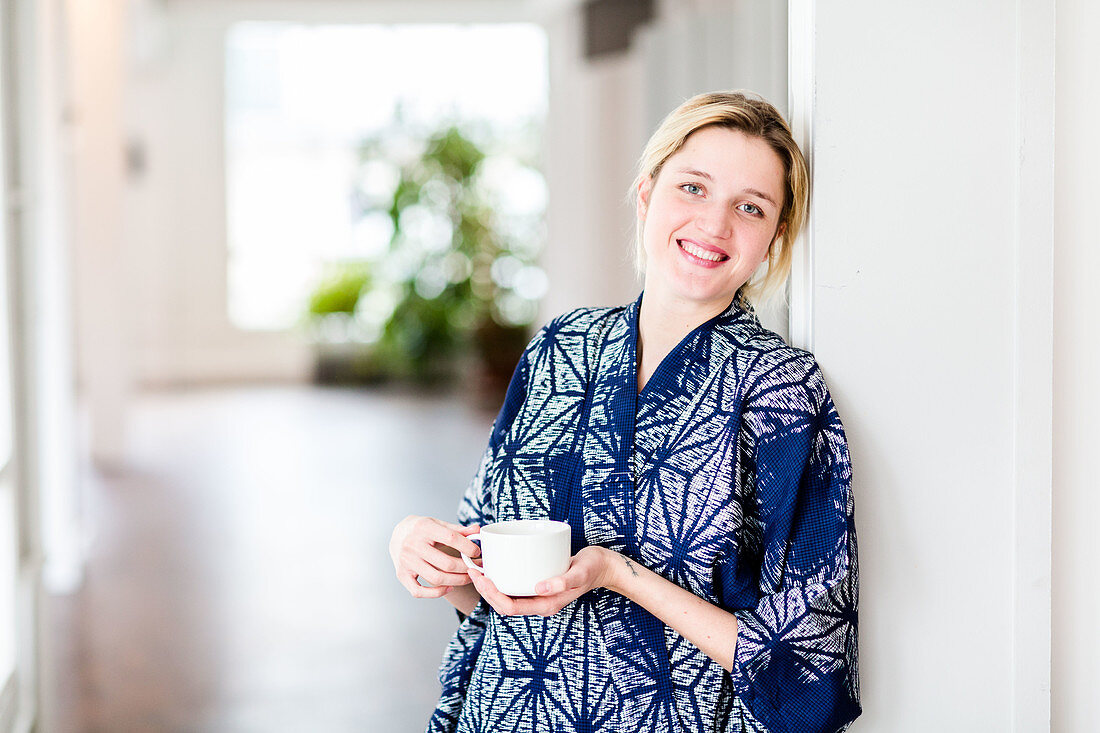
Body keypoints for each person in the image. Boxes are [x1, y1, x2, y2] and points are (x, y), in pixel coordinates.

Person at [389, 90, 861, 733]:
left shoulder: (781, 390)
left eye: (750, 207)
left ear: (773, 238)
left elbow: (808, 674)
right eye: (693, 188)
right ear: (647, 195)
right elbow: (483, 590)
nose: (715, 225)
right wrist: (426, 552)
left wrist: (616, 572)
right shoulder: (561, 347)